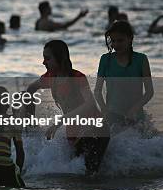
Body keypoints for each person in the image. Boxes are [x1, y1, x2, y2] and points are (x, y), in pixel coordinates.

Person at [26, 40, 109, 174]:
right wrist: (30, 124)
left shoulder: (77, 77)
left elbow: (90, 104)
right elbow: (30, 90)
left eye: (47, 58)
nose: (43, 62)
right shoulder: (50, 77)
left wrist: (60, 121)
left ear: (60, 58)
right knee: (76, 177)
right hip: (74, 131)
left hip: (94, 129)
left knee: (88, 175)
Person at [94, 21, 154, 128]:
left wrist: (134, 110)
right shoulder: (105, 59)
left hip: (136, 117)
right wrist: (104, 110)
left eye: (120, 40)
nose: (116, 44)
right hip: (112, 117)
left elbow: (149, 92)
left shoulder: (141, 59)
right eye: (113, 41)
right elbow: (97, 91)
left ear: (130, 38)